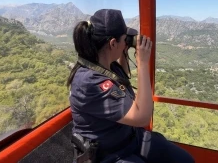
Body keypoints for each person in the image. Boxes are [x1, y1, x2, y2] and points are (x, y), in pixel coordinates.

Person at [67, 9, 195, 163]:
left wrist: (123, 52)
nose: (125, 43)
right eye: (124, 39)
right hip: (108, 154)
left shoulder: (106, 65)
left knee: (184, 159)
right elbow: (142, 118)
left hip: (130, 139)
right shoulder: (89, 81)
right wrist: (142, 63)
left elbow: (123, 80)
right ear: (113, 43)